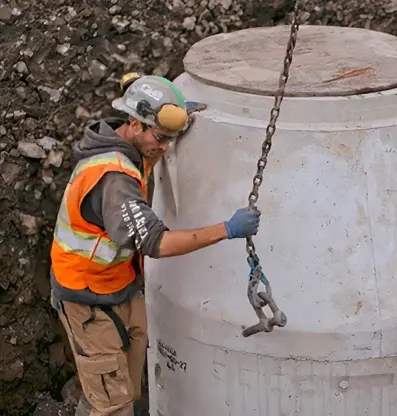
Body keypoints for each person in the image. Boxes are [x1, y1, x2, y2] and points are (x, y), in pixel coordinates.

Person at [48, 73, 260, 415]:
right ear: (135, 124)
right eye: (161, 139)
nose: (165, 148)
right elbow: (156, 242)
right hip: (87, 298)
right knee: (113, 404)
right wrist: (226, 229)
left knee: (129, 386)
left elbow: (156, 142)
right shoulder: (113, 179)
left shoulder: (130, 146)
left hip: (120, 287)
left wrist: (180, 116)